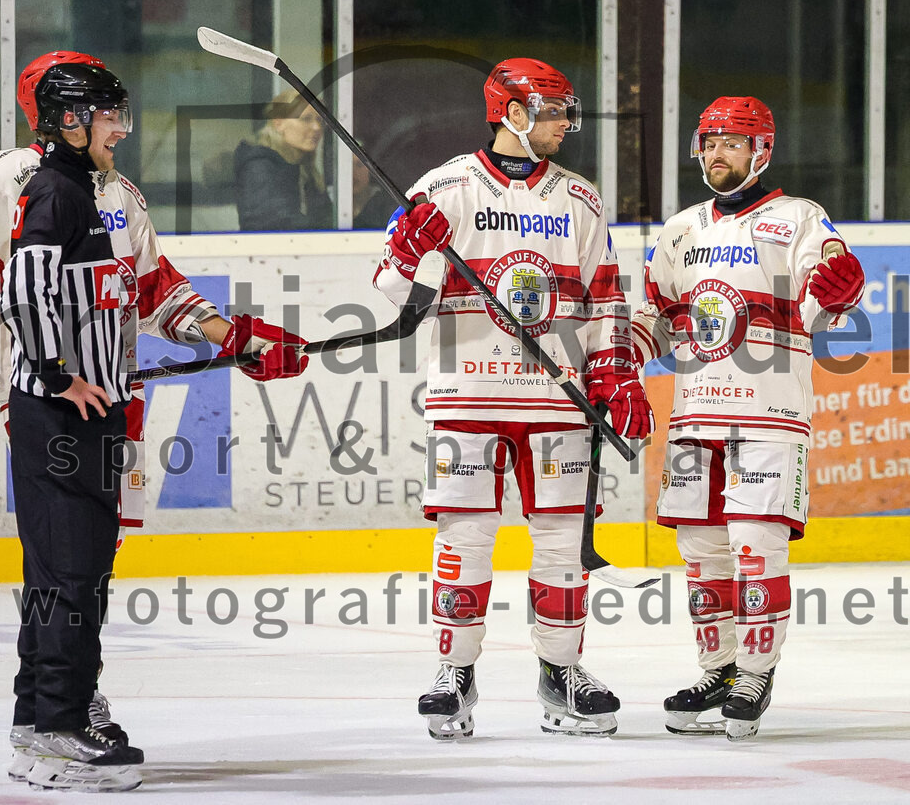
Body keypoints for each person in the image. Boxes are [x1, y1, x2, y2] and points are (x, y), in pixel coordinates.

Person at [0, 53, 307, 789]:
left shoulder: (120, 194)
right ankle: (57, 714)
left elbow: (155, 290)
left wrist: (233, 337)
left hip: (113, 409)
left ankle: (56, 702)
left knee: (82, 567)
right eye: (108, 114)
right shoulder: (7, 180)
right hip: (59, 405)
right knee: (69, 565)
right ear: (63, 114)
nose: (121, 130)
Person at [373, 58, 653, 739]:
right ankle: (454, 672)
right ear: (513, 112)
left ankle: (561, 672)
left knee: (561, 545)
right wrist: (411, 254)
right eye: (553, 110)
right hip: (467, 391)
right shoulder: (441, 187)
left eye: (565, 110)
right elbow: (391, 291)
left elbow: (606, 301)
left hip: (557, 399)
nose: (565, 122)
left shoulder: (579, 200)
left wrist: (616, 374)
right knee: (464, 538)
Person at [630, 96, 864, 741]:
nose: (715, 153)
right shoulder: (679, 230)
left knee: (755, 547)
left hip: (770, 414)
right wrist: (622, 362)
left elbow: (827, 305)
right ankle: (720, 667)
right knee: (702, 551)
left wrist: (840, 296)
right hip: (694, 414)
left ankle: (756, 673)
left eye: (730, 142)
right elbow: (659, 318)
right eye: (707, 142)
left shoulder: (799, 219)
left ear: (762, 151)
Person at [233, 87, 334, 231]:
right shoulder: (259, 166)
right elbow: (277, 223)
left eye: (320, 120)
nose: (317, 127)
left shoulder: (305, 169)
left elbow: (327, 218)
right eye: (306, 119)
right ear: (279, 123)